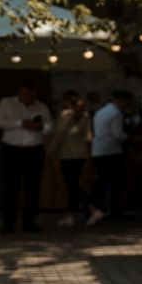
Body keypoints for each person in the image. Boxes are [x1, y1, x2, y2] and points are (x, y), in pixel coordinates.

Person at [0, 81, 51, 231]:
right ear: (19, 92)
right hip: (11, 149)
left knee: (33, 187)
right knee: (11, 186)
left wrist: (41, 127)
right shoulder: (6, 103)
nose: (28, 97)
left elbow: (50, 127)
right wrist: (20, 123)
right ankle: (8, 223)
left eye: (32, 94)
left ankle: (29, 222)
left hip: (34, 149)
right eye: (25, 93)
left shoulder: (41, 106)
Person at [88, 89, 132, 224]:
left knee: (102, 181)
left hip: (98, 150)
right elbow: (117, 135)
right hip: (111, 151)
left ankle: (97, 208)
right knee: (117, 182)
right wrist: (128, 137)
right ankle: (114, 210)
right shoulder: (116, 113)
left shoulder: (101, 111)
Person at [49, 90, 92, 226]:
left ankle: (92, 207)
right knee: (72, 184)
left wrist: (52, 152)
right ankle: (70, 214)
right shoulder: (85, 115)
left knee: (72, 185)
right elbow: (88, 136)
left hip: (67, 154)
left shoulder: (65, 114)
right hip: (80, 154)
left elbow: (59, 135)